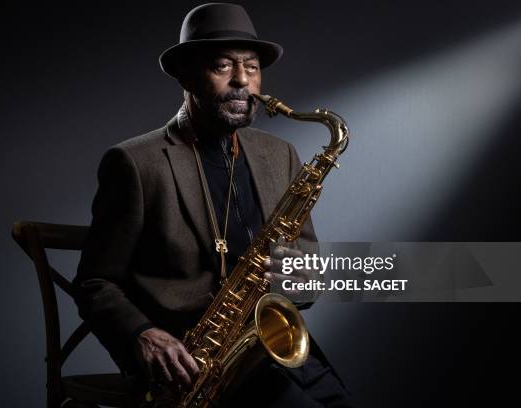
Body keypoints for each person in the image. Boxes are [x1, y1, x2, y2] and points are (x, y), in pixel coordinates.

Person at [73, 3, 354, 407]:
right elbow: (94, 282)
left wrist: (300, 273)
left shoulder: (282, 155)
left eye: (253, 68)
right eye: (223, 66)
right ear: (187, 75)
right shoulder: (135, 163)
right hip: (190, 364)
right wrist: (142, 335)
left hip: (271, 346)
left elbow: (307, 270)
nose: (242, 80)